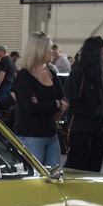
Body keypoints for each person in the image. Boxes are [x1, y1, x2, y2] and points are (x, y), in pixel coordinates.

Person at [11, 31, 67, 166]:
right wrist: (56, 104)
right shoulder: (24, 76)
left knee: (53, 179)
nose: (53, 51)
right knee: (35, 181)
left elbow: (64, 103)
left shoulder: (52, 73)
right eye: (50, 48)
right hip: (31, 136)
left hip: (51, 135)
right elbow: (30, 109)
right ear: (39, 50)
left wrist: (46, 104)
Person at [63, 36, 103, 172]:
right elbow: (73, 101)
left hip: (99, 131)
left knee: (94, 171)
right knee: (77, 170)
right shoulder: (78, 73)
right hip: (82, 131)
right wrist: (97, 115)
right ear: (96, 51)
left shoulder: (100, 74)